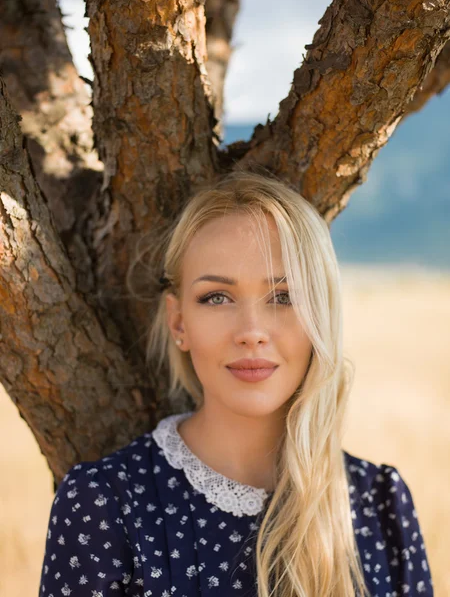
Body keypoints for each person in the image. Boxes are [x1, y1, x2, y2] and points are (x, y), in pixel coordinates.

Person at [38, 171, 433, 597]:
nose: (251, 331)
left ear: (322, 313)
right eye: (217, 298)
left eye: (283, 296)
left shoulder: (380, 504)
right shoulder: (104, 504)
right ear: (178, 322)